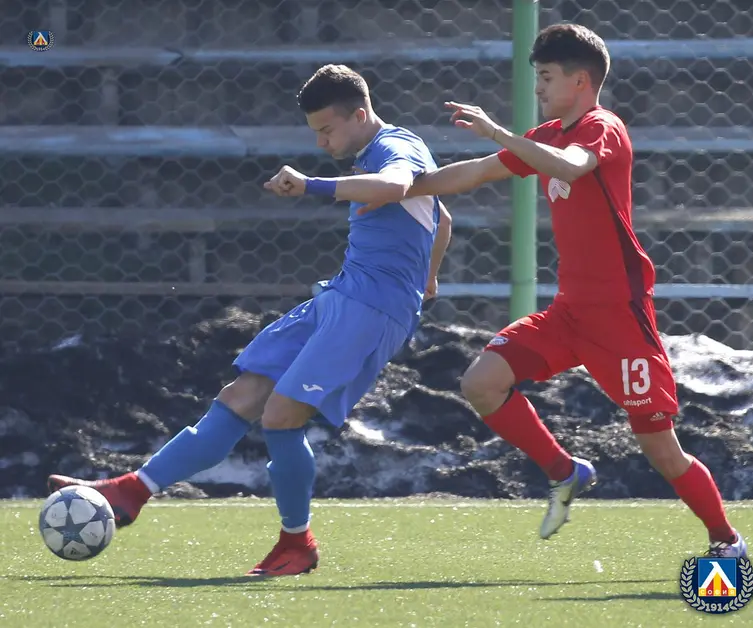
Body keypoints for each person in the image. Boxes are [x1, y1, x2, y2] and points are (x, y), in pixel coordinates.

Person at [48, 64, 453, 577]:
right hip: (343, 294)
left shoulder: (395, 147)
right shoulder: (374, 151)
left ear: (360, 114)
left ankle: (296, 543)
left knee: (281, 416)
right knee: (242, 394)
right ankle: (131, 491)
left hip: (371, 309)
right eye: (316, 133)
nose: (322, 142)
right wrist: (429, 277)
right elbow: (442, 217)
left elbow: (395, 185)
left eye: (328, 130)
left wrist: (312, 185)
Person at [358, 23, 746, 558]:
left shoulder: (602, 127)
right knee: (481, 383)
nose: (537, 87)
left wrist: (497, 130)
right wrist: (398, 189)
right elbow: (476, 174)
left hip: (619, 317)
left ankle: (728, 542)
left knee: (661, 448)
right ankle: (564, 471)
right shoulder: (545, 136)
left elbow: (571, 166)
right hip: (569, 314)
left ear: (580, 81)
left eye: (545, 76)